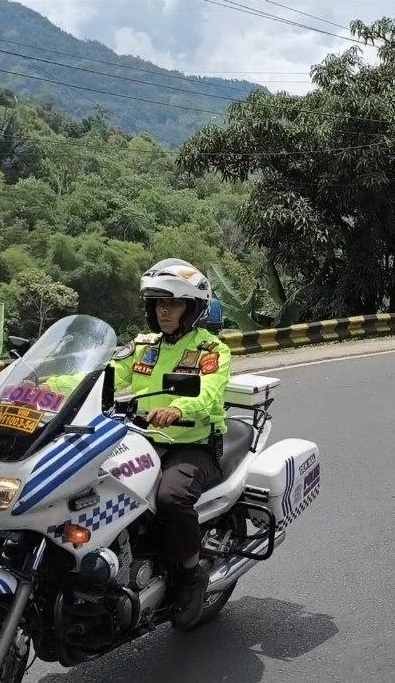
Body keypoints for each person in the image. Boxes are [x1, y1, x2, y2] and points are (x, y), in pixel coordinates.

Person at [111, 259, 232, 627]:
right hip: (141, 440)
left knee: (171, 498)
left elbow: (209, 394)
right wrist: (46, 387)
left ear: (191, 309)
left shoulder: (211, 350)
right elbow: (106, 376)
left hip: (192, 445)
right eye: (158, 303)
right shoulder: (143, 346)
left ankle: (192, 575)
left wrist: (178, 408)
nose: (164, 311)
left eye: (173, 303)